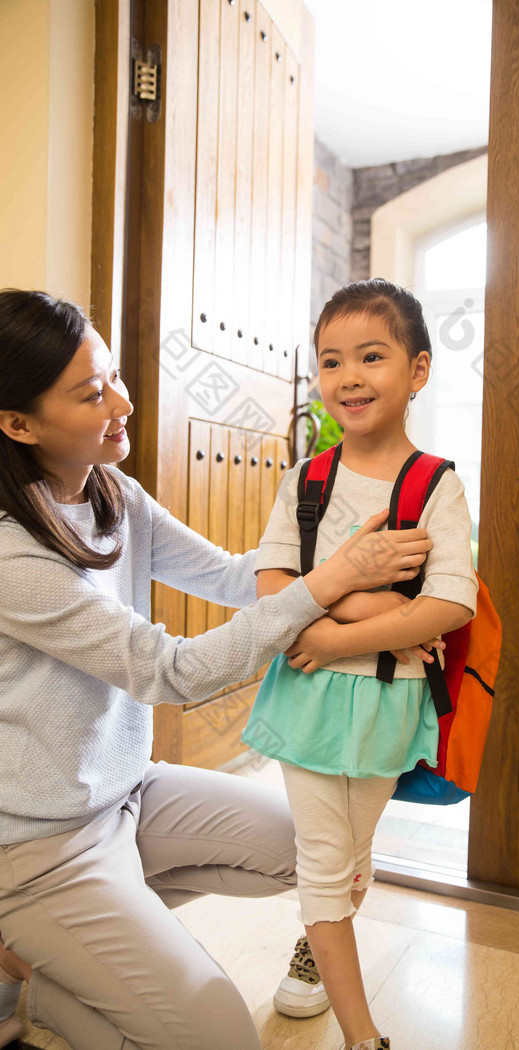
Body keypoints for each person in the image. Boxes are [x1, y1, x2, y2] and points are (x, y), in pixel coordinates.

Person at [0, 288, 436, 1050]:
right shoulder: (10, 555)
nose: (124, 402)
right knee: (220, 1038)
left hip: (129, 795)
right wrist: (329, 586)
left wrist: (374, 603)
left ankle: (62, 962)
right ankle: (43, 971)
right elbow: (171, 672)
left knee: (316, 847)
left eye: (114, 376)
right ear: (17, 423)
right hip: (36, 849)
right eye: (92, 393)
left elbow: (242, 577)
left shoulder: (113, 495)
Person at [240, 278, 479, 1050]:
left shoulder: (434, 484)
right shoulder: (305, 482)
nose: (348, 377)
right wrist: (372, 608)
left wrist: (333, 625)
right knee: (323, 858)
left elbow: (450, 604)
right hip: (305, 697)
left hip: (386, 701)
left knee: (352, 851)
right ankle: (363, 1034)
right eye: (331, 361)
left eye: (370, 357)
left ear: (417, 370)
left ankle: (319, 943)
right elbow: (275, 589)